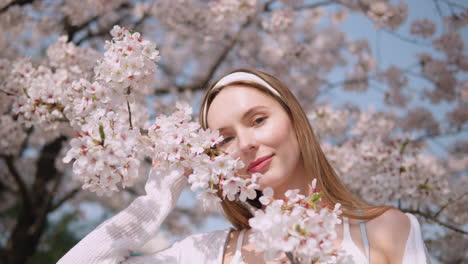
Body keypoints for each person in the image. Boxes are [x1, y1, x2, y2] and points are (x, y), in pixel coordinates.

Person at [58, 68, 429, 264]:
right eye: (224, 139)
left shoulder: (387, 229)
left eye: (257, 120)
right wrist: (155, 200)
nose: (247, 144)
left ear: (294, 119)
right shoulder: (202, 254)